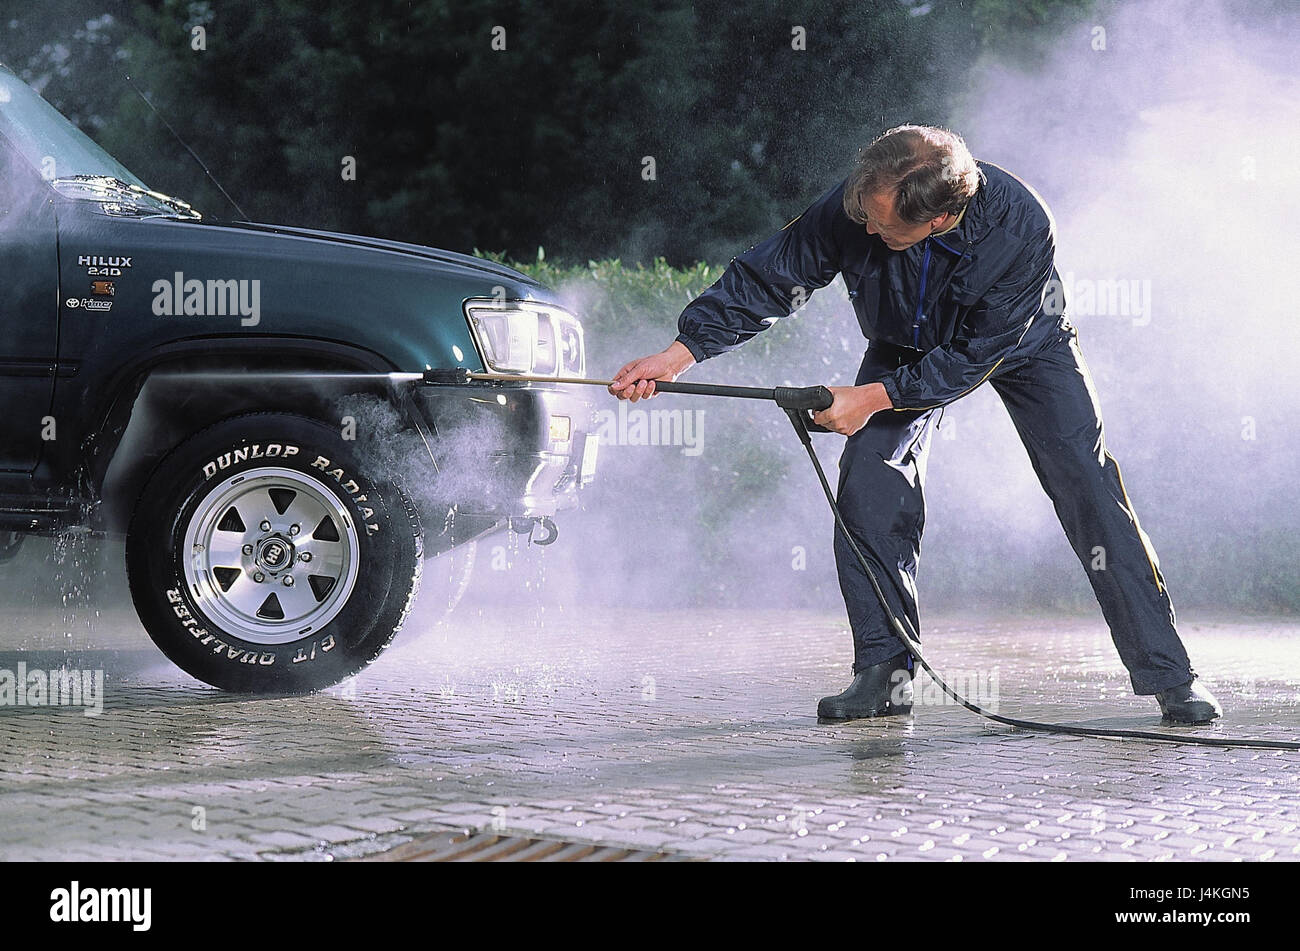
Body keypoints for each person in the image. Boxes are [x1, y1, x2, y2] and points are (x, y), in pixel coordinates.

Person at [608, 124, 1221, 725]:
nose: (865, 228)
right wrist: (680, 353)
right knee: (868, 483)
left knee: (1087, 485)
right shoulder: (862, 199)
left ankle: (1170, 675)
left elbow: (974, 357)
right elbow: (772, 276)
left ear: (938, 220)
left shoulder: (1021, 224)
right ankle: (886, 672)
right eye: (863, 214)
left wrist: (871, 397)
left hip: (1019, 344)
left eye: (880, 225)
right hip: (903, 342)